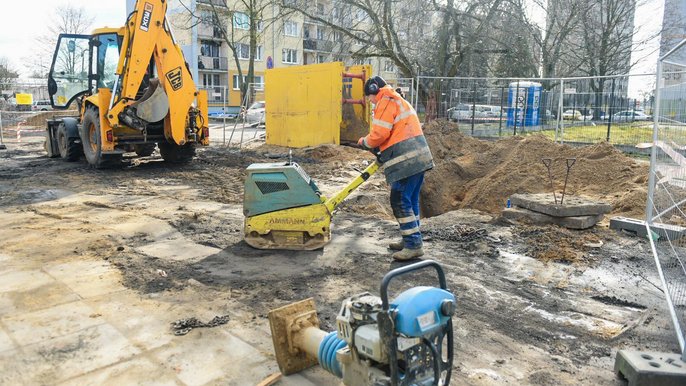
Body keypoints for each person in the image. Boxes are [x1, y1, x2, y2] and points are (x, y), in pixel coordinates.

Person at [358, 76, 434, 261]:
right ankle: (410, 239)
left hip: (406, 161)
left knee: (399, 199)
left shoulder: (385, 101)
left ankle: (414, 245)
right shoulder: (398, 99)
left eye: (369, 97)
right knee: (410, 199)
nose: (370, 101)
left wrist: (364, 142)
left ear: (375, 90)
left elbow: (379, 134)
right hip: (418, 158)